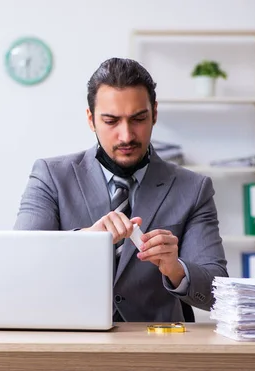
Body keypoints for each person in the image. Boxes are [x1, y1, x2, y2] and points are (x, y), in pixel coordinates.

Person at [13, 57, 228, 322]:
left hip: (157, 347)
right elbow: (21, 265)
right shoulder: (51, 176)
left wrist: (176, 269)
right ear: (91, 120)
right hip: (67, 339)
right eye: (111, 121)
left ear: (155, 114)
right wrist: (86, 240)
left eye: (138, 119)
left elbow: (218, 293)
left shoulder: (194, 188)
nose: (126, 136)